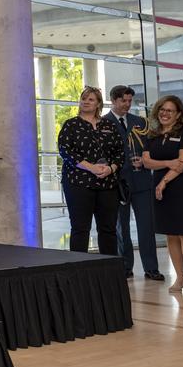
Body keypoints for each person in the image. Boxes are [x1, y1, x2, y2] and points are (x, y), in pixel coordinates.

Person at [141, 95, 183, 297]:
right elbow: (147, 162)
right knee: (171, 234)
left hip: (182, 187)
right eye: (162, 109)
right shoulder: (153, 134)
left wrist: (164, 181)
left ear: (178, 114)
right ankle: (180, 276)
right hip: (160, 189)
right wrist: (168, 163)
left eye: (170, 110)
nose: (165, 113)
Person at [57, 86, 123, 256]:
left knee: (108, 229)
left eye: (91, 99)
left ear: (98, 104)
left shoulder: (109, 125)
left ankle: (109, 272)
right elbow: (66, 151)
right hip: (78, 184)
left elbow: (120, 153)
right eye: (83, 98)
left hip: (107, 184)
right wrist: (90, 167)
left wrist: (110, 168)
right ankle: (78, 273)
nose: (86, 102)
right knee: (80, 229)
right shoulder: (71, 125)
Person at [106, 85, 163, 280]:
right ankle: (125, 266)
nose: (127, 104)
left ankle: (151, 268)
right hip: (118, 183)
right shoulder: (104, 123)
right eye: (124, 101)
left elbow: (151, 148)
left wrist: (146, 161)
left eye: (130, 101)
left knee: (146, 226)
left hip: (142, 180)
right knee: (121, 228)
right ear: (113, 100)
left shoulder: (140, 122)